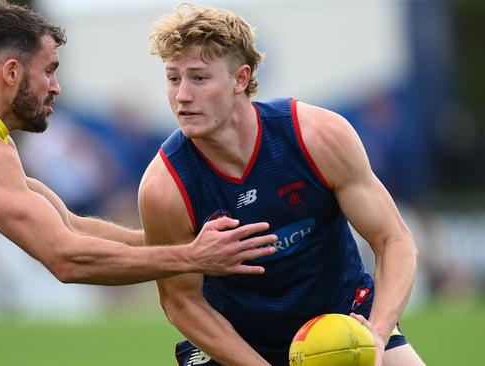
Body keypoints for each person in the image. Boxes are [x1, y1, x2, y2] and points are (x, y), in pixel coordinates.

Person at [0, 1, 281, 365]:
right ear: (12, 72)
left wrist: (195, 246)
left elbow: (69, 225)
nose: (57, 87)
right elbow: (66, 259)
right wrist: (191, 256)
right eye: (49, 70)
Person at [138, 4, 425, 366]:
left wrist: (378, 334)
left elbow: (393, 239)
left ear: (241, 79)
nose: (181, 96)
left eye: (198, 78)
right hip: (238, 343)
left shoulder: (318, 136)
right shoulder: (164, 188)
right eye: (173, 78)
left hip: (343, 322)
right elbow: (182, 301)